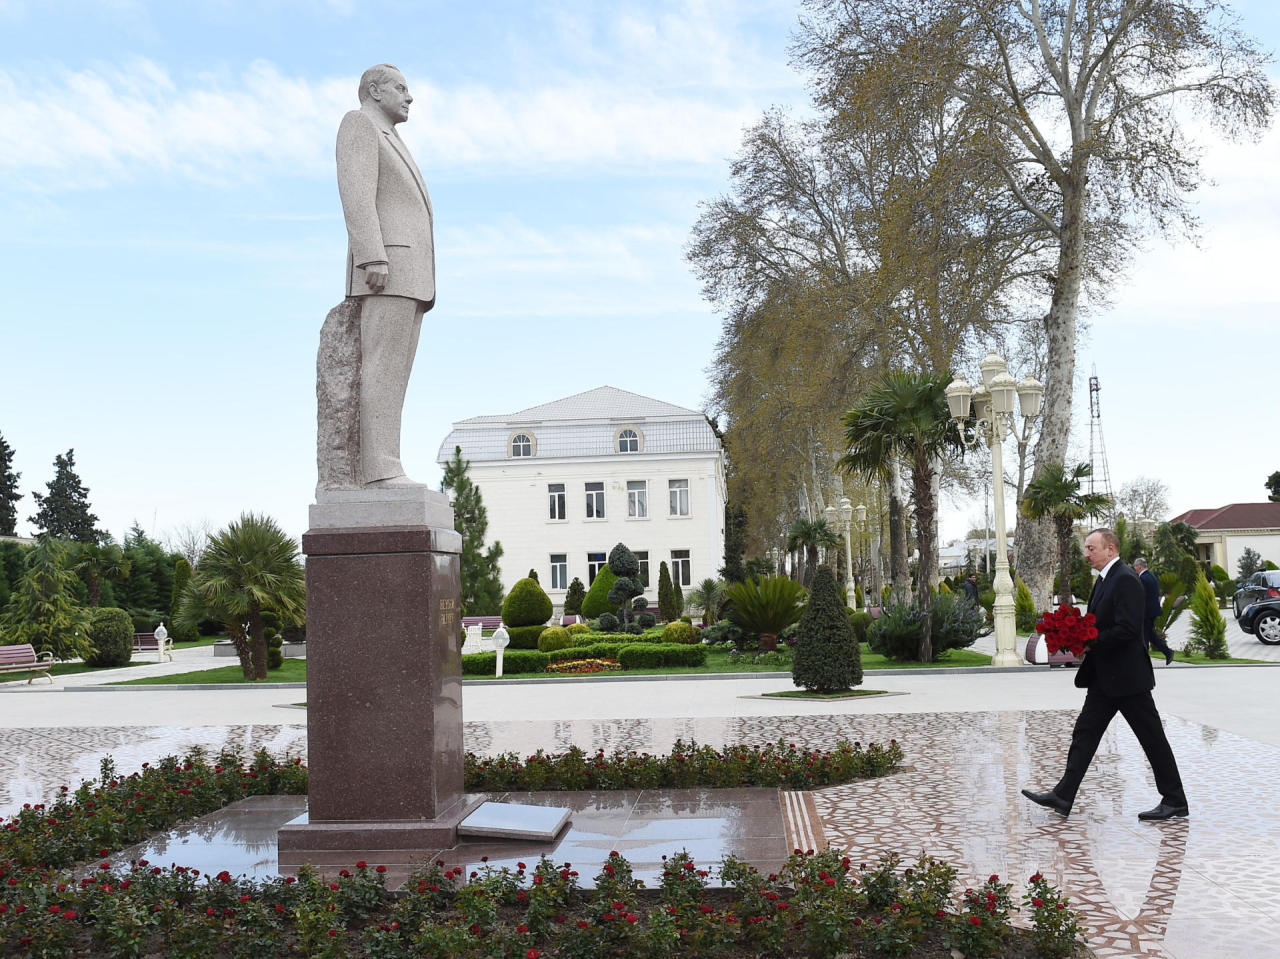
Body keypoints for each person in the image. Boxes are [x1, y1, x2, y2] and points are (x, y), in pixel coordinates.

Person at [1021, 528, 1188, 821]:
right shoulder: (1105, 580)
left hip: (1127, 679)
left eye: (1091, 548)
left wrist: (1089, 641)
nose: (1086, 554)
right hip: (1105, 678)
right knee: (1084, 734)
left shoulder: (1124, 579)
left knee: (1152, 738)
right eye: (1086, 548)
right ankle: (1063, 795)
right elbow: (1098, 622)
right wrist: (1074, 632)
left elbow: (1128, 629)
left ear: (1110, 549)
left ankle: (1175, 800)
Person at [336, 63, 435, 487]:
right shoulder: (360, 125)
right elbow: (356, 193)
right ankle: (378, 470)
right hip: (386, 270)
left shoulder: (391, 136)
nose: (409, 96)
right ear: (375, 91)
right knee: (382, 369)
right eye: (401, 88)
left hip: (410, 274)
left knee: (395, 374)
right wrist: (372, 256)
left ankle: (386, 463)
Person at [1134, 557, 1175, 665]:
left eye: (1135, 567)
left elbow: (1141, 595)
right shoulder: (1151, 575)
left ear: (1139, 566)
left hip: (1146, 611)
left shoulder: (1142, 578)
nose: (1135, 569)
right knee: (1149, 634)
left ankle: (1145, 659)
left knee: (1146, 634)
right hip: (1152, 611)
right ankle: (1166, 652)